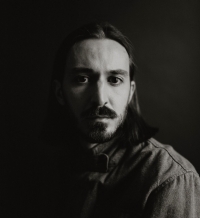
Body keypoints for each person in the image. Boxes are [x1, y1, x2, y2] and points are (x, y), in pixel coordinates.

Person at [37, 22, 200, 218]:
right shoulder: (44, 169)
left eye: (114, 80)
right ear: (59, 92)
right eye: (82, 79)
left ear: (130, 92)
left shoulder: (168, 178)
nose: (100, 98)